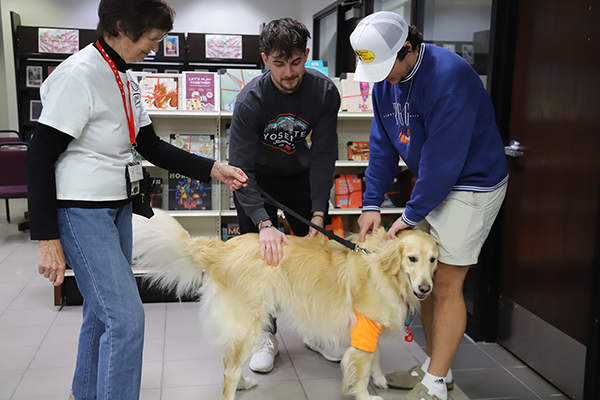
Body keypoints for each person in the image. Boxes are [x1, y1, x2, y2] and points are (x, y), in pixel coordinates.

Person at [25, 1, 247, 399]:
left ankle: (86, 393)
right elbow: (40, 156)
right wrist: (46, 238)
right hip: (81, 210)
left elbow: (150, 145)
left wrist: (213, 168)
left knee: (101, 313)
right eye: (151, 38)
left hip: (118, 207)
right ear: (123, 27)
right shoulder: (79, 74)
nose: (156, 47)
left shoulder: (123, 76)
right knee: (126, 320)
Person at [349, 11, 509, 400]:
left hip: (472, 184)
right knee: (431, 283)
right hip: (437, 184)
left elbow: (444, 162)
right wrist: (372, 201)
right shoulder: (385, 83)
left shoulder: (449, 79)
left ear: (408, 48)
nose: (383, 78)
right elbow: (384, 144)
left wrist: (408, 216)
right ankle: (438, 369)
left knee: (448, 283)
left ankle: (436, 384)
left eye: (387, 68)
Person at [228, 17, 342, 373]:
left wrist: (319, 214)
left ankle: (315, 330)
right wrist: (263, 223)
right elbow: (240, 169)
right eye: (279, 63)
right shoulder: (251, 101)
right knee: (262, 261)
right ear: (265, 59)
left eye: (296, 62)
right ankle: (265, 334)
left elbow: (324, 155)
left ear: (306, 54)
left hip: (300, 180)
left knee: (315, 257)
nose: (289, 72)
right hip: (256, 183)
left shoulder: (324, 93)